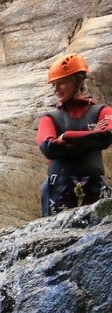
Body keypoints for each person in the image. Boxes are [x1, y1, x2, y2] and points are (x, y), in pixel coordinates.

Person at [37, 53, 112, 216]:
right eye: (53, 85)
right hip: (58, 194)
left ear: (77, 81)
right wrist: (91, 136)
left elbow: (105, 138)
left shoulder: (103, 111)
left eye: (61, 83)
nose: (55, 89)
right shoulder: (49, 119)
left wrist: (66, 137)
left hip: (95, 191)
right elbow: (49, 148)